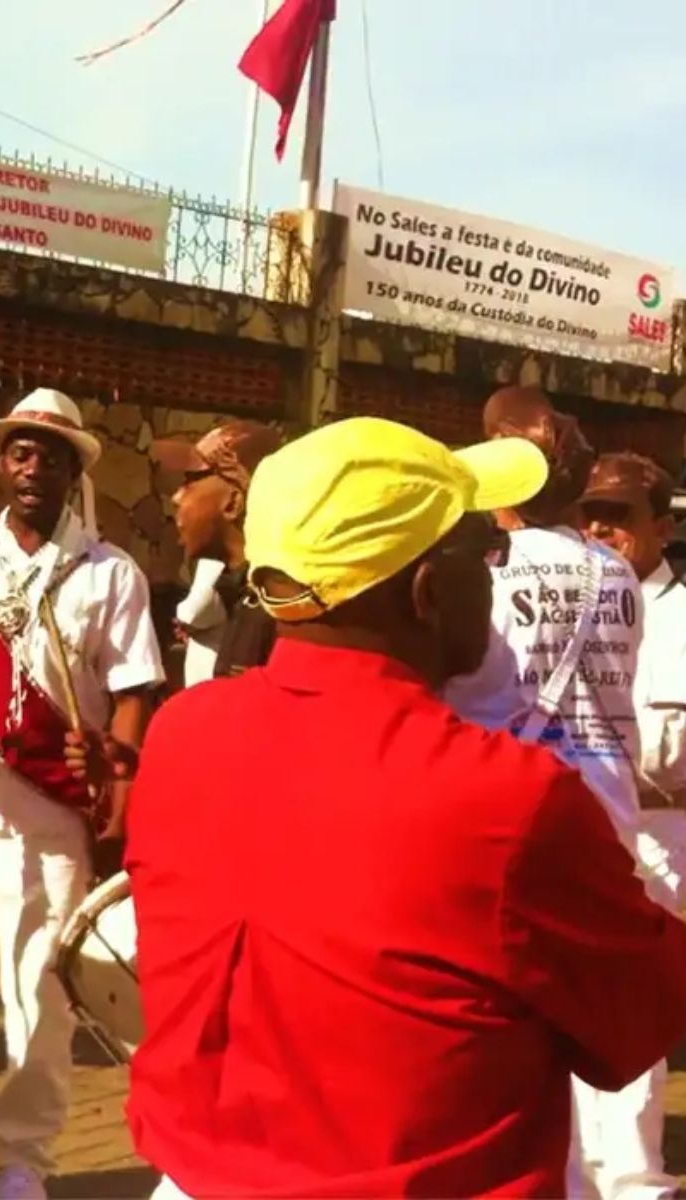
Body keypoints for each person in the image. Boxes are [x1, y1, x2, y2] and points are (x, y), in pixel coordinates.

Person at [118, 415, 686, 1198]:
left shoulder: (183, 736)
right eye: (485, 550)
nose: (496, 571)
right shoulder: (505, 798)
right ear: (428, 592)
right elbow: (643, 1015)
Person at [0, 388, 164, 1200]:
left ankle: (26, 1161)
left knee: (39, 998)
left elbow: (131, 691)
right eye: (20, 451)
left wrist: (118, 786)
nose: (32, 467)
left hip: (54, 811)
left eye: (49, 455)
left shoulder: (109, 572)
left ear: (70, 471)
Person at [441, 389, 660, 1198]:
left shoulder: (485, 576)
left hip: (511, 818)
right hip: (604, 812)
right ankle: (629, 1177)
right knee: (597, 1010)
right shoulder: (619, 575)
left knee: (510, 1036)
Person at [577, 451, 686, 1200]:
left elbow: (668, 751)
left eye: (619, 516)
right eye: (593, 514)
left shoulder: (679, 616)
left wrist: (595, 744)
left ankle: (633, 1181)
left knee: (623, 1001)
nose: (600, 528)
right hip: (590, 823)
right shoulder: (581, 599)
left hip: (661, 830)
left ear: (662, 523)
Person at [150, 421, 281, 685]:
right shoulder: (236, 595)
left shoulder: (274, 610)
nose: (176, 497)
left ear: (233, 503)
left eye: (190, 482)